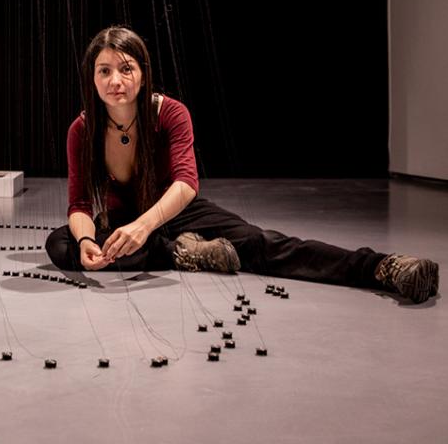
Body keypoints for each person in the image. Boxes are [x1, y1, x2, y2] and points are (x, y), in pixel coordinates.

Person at [45, 25, 439, 303]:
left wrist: (143, 227)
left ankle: (381, 267)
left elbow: (186, 184)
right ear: (92, 78)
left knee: (259, 243)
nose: (115, 80)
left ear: (143, 75)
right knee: (61, 243)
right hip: (123, 218)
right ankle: (180, 252)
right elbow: (79, 204)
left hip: (173, 209)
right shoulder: (82, 129)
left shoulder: (170, 113)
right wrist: (86, 242)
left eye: (126, 68)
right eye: (104, 71)